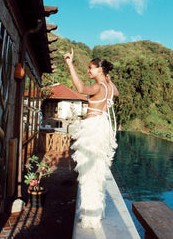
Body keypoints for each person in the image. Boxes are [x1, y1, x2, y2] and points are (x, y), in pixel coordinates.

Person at [64, 48, 119, 229]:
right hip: (102, 127)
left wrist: (70, 64)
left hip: (93, 128)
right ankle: (94, 212)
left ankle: (90, 216)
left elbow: (80, 88)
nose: (88, 71)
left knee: (89, 171)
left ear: (100, 70)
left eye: (91, 68)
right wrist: (109, 79)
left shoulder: (97, 87)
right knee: (95, 170)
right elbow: (116, 93)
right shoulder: (109, 87)